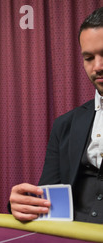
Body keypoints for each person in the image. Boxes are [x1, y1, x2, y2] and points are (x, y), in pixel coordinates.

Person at [9, 7, 103, 224]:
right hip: (70, 240)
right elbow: (45, 198)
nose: (97, 66)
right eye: (89, 57)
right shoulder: (65, 124)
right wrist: (22, 204)